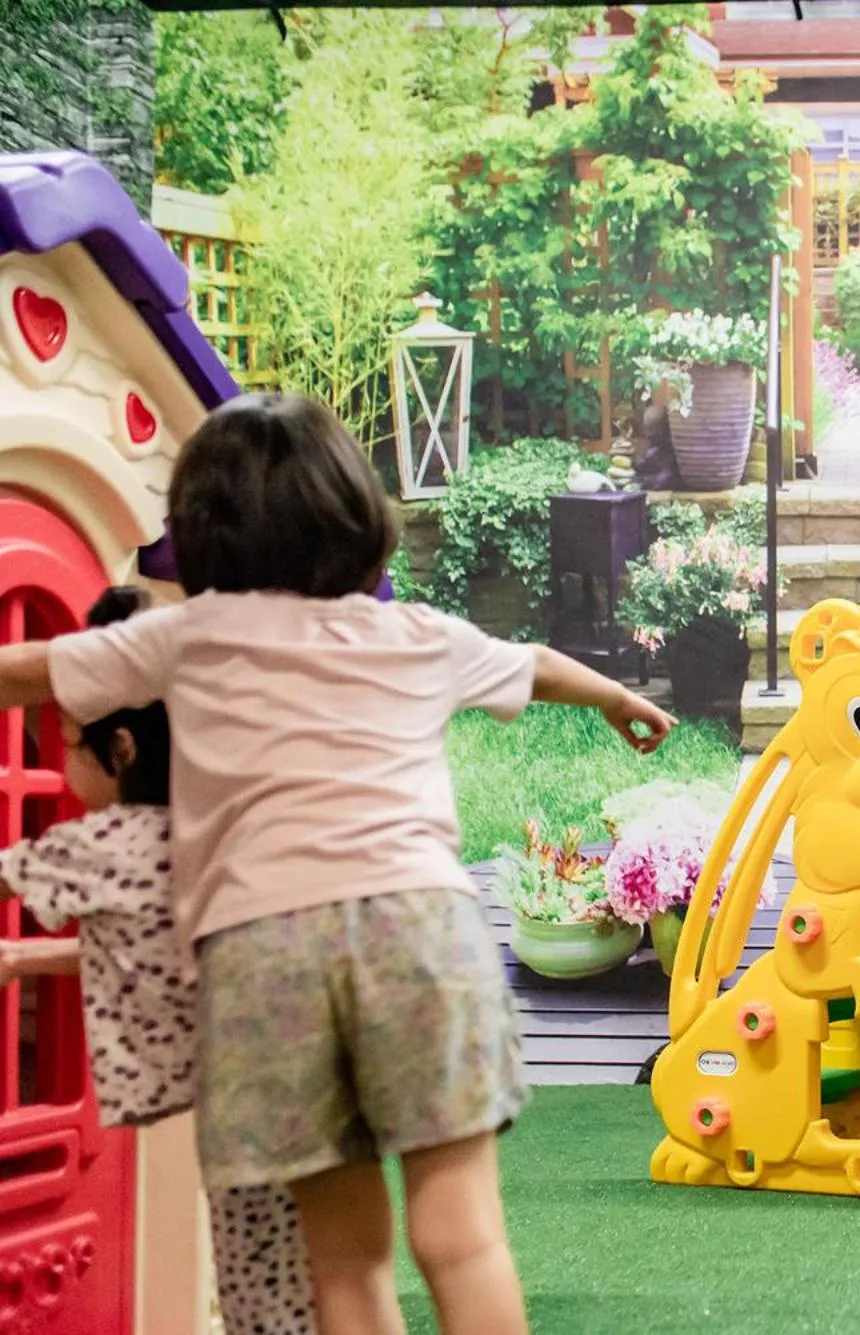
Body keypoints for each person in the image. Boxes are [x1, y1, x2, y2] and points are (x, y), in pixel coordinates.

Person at [0, 392, 676, 1335]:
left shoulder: (187, 633)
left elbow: (32, 669)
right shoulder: (417, 635)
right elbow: (532, 664)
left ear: (201, 536)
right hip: (420, 932)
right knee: (464, 1234)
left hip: (261, 952)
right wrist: (616, 700)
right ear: (360, 518)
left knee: (346, 1260)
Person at [0, 587, 317, 1333]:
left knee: (260, 1293)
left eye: (69, 742)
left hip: (239, 1109)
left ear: (121, 750)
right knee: (298, 1282)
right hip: (296, 1089)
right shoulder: (207, 832)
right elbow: (133, 944)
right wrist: (22, 959)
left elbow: (19, 874)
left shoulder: (107, 844)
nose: (63, 759)